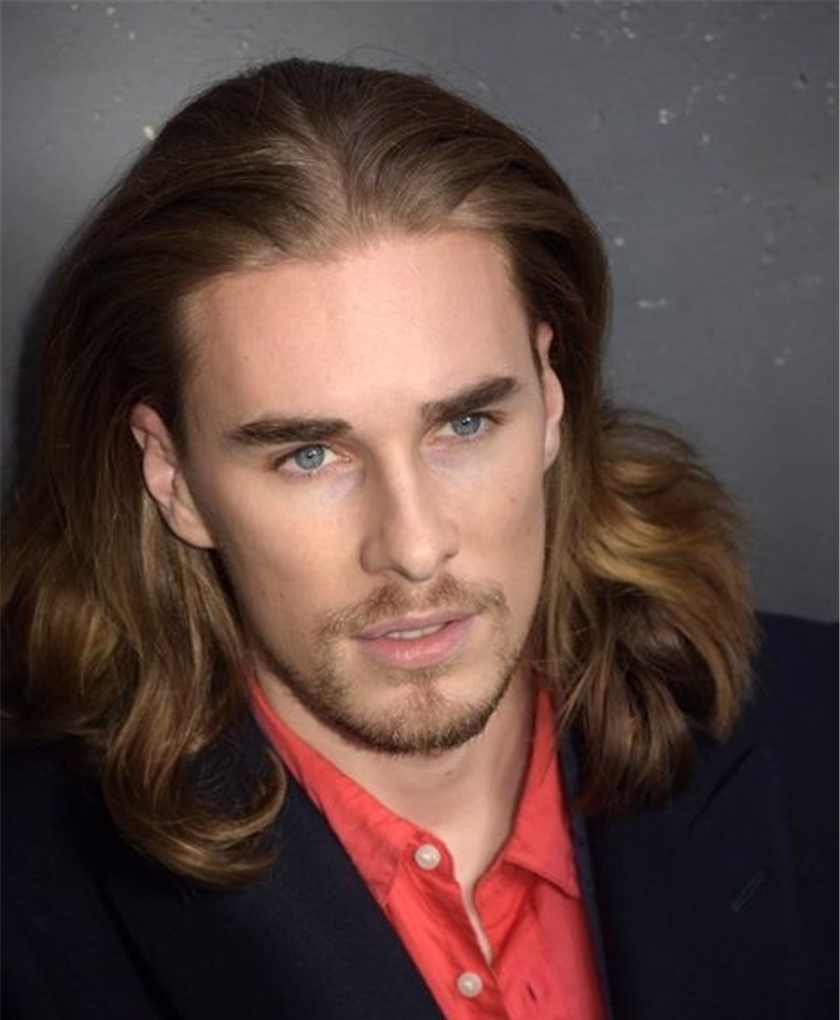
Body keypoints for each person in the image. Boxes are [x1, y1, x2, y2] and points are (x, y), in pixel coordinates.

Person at [1, 58, 835, 1020]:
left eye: (465, 425)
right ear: (172, 476)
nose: (414, 546)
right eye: (310, 454)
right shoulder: (32, 914)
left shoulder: (820, 729)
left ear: (551, 396)